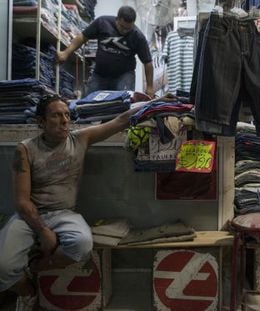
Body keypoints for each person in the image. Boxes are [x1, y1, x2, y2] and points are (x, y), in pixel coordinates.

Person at [0, 93, 142, 309]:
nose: (65, 121)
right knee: (2, 266)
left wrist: (156, 103)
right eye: (57, 116)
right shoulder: (26, 149)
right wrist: (43, 231)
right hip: (29, 215)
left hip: (64, 214)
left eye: (67, 115)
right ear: (41, 122)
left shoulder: (79, 139)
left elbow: (120, 120)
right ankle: (28, 290)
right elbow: (22, 201)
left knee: (81, 244)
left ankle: (36, 267)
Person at [57, 6, 154, 97]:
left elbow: (148, 62)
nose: (125, 31)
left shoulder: (138, 36)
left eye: (128, 29)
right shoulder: (102, 22)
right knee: (88, 103)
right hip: (100, 74)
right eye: (122, 27)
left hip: (123, 76)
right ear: (117, 19)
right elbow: (83, 37)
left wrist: (150, 87)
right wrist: (66, 53)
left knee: (123, 103)